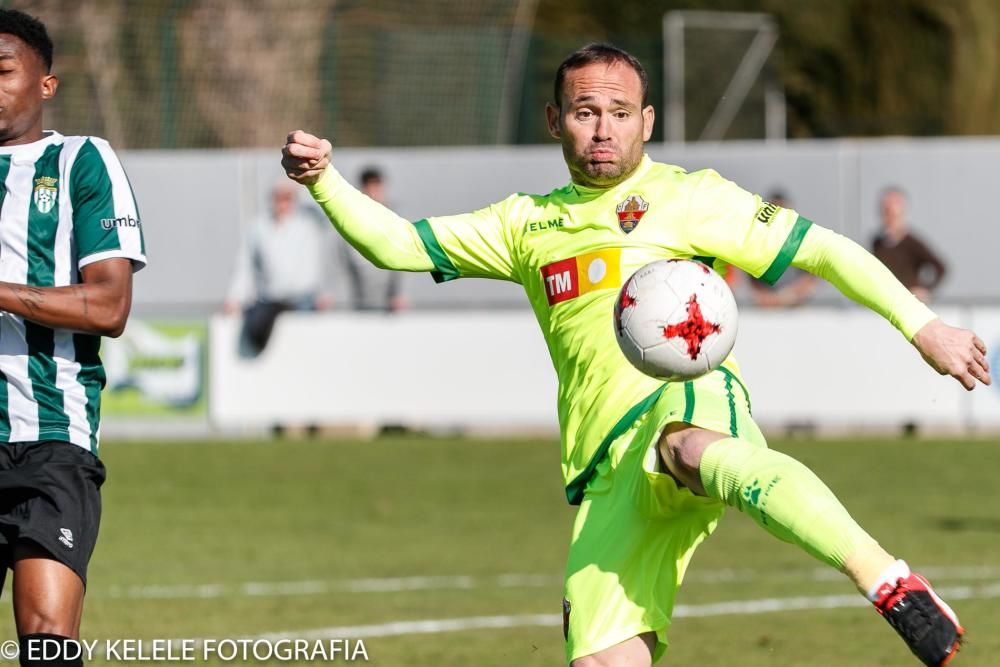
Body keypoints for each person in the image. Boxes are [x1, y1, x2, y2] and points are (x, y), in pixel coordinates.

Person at [282, 43, 990, 667]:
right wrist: (323, 181)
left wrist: (923, 327)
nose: (603, 128)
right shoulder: (526, 223)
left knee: (684, 449)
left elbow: (823, 249)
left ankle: (886, 577)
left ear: (647, 122)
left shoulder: (690, 198)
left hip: (687, 399)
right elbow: (397, 245)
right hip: (603, 464)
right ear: (556, 120)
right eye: (586, 111)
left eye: (621, 112)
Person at [0, 9, 145, 666]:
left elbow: (110, 303)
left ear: (45, 85)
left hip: (51, 439)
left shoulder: (82, 161)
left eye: (1, 71)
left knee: (47, 643)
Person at [224, 179, 333, 354]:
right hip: (270, 301)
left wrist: (304, 185)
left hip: (305, 301)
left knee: (309, 347)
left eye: (288, 198)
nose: (283, 203)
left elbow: (327, 211)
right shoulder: (258, 227)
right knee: (256, 332)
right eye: (279, 198)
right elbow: (245, 266)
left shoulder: (308, 222)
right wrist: (234, 298)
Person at [336, 167, 408, 312]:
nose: (373, 191)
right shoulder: (352, 219)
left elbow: (405, 256)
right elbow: (344, 259)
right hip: (359, 299)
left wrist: (399, 294)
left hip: (389, 301)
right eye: (370, 186)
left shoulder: (394, 219)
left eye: (377, 186)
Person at [872, 186, 947, 303]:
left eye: (893, 214)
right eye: (886, 212)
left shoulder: (912, 242)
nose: (890, 218)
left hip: (909, 303)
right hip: (886, 302)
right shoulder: (877, 242)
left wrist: (925, 290)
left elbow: (940, 267)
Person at [748, 191, 818, 308]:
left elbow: (810, 279)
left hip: (798, 308)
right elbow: (753, 283)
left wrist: (788, 296)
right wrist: (767, 298)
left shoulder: (800, 241)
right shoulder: (757, 244)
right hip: (768, 310)